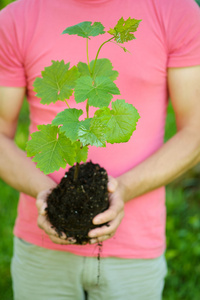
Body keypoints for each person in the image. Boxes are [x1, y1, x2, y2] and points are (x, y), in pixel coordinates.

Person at [0, 0, 200, 299]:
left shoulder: (177, 10)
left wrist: (124, 190)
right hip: (39, 244)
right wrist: (46, 195)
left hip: (136, 247)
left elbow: (194, 132)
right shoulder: (16, 17)